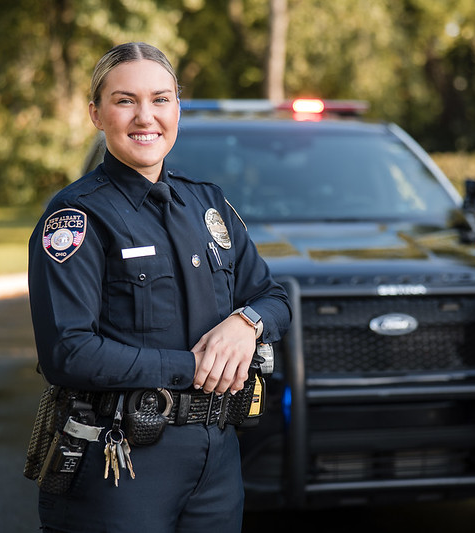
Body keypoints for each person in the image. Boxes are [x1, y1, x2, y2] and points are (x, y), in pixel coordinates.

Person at [27, 42, 291, 532]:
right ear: (96, 114)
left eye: (160, 99)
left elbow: (273, 298)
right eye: (125, 100)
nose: (145, 116)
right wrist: (192, 367)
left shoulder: (207, 204)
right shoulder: (76, 217)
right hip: (121, 461)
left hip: (216, 460)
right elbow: (67, 351)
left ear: (177, 108)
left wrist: (246, 324)